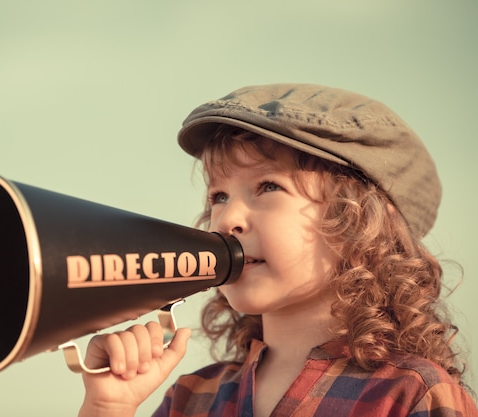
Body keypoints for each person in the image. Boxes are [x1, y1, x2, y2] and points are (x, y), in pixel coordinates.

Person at [77, 83, 478, 416]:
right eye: (218, 195)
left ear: (359, 224)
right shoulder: (192, 398)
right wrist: (107, 407)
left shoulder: (412, 395)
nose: (227, 218)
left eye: (268, 187)